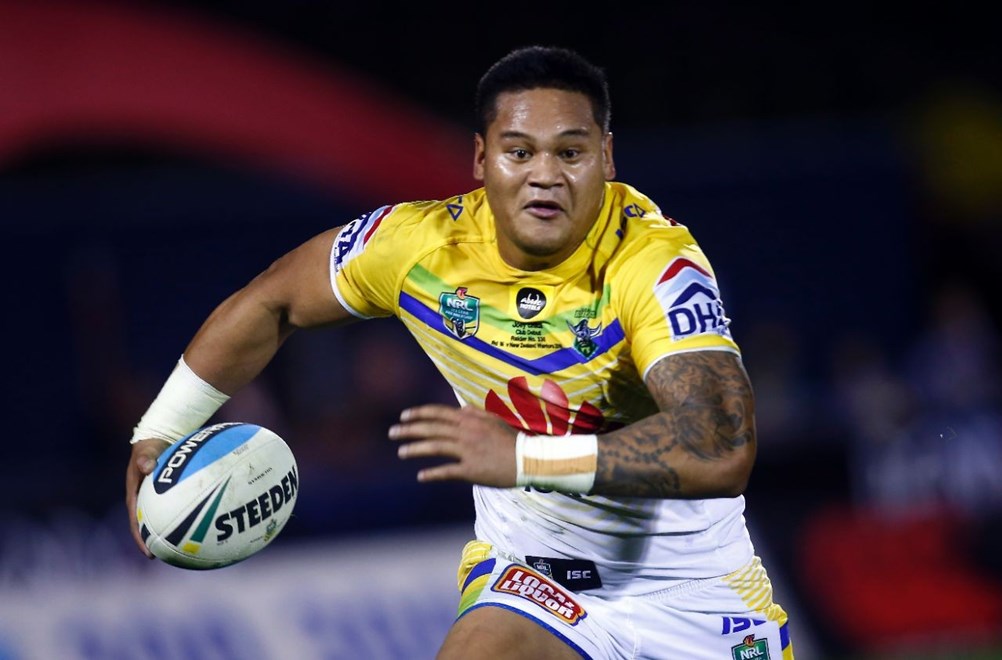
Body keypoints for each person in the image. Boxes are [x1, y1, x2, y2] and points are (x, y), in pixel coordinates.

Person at [125, 45, 794, 660]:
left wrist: (523, 459)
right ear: (481, 159)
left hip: (691, 595)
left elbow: (720, 445)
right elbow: (273, 300)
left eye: (571, 152)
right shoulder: (421, 248)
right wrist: (160, 429)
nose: (544, 176)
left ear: (607, 158)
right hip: (531, 583)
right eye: (519, 152)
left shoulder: (653, 264)